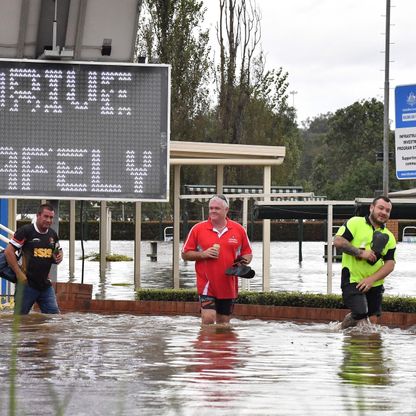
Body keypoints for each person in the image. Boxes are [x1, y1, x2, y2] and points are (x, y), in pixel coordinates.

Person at [181, 194, 253, 325]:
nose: (213, 211)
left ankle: (219, 346)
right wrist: (203, 254)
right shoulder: (198, 229)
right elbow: (185, 254)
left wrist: (243, 262)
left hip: (228, 285)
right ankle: (205, 345)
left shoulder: (239, 229)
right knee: (208, 319)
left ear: (226, 210)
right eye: (211, 208)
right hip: (207, 284)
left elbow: (248, 253)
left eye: (217, 208)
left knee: (223, 323)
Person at [333, 196, 396, 329]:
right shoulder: (355, 222)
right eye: (381, 208)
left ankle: (368, 346)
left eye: (388, 210)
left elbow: (390, 264)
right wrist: (361, 253)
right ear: (371, 208)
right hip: (352, 279)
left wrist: (371, 279)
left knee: (373, 319)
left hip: (375, 284)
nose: (384, 212)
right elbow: (338, 242)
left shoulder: (390, 237)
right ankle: (340, 329)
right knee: (360, 312)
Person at [4, 203, 63, 314]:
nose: (49, 220)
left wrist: (60, 256)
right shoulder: (26, 231)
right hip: (27, 285)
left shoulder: (52, 234)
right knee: (20, 319)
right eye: (46, 216)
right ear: (38, 215)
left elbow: (58, 250)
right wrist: (18, 273)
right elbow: (8, 252)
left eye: (51, 217)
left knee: (54, 318)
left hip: (45, 285)